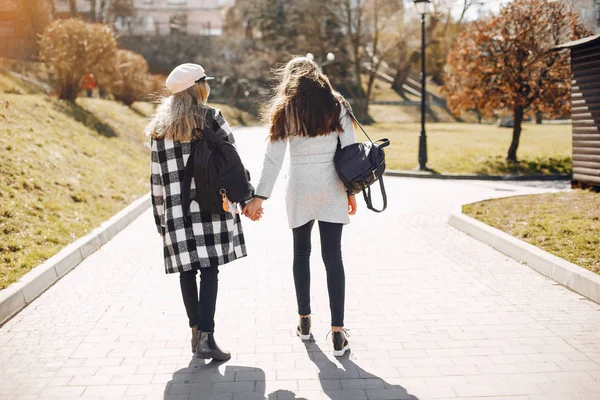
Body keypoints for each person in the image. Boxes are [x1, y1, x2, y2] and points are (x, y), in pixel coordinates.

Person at [145, 63, 261, 361]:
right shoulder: (211, 118)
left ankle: (196, 333)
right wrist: (245, 198)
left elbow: (156, 180)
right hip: (211, 208)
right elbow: (233, 163)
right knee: (209, 270)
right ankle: (207, 338)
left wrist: (161, 219)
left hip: (177, 212)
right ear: (198, 87)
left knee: (187, 270)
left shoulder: (159, 129)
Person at [244, 57, 357, 357]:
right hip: (332, 186)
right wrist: (351, 191)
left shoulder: (286, 109)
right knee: (333, 256)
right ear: (317, 74)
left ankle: (304, 322)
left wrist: (259, 197)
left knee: (301, 253)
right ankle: (337, 332)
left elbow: (273, 158)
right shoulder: (337, 104)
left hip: (300, 188)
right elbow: (351, 151)